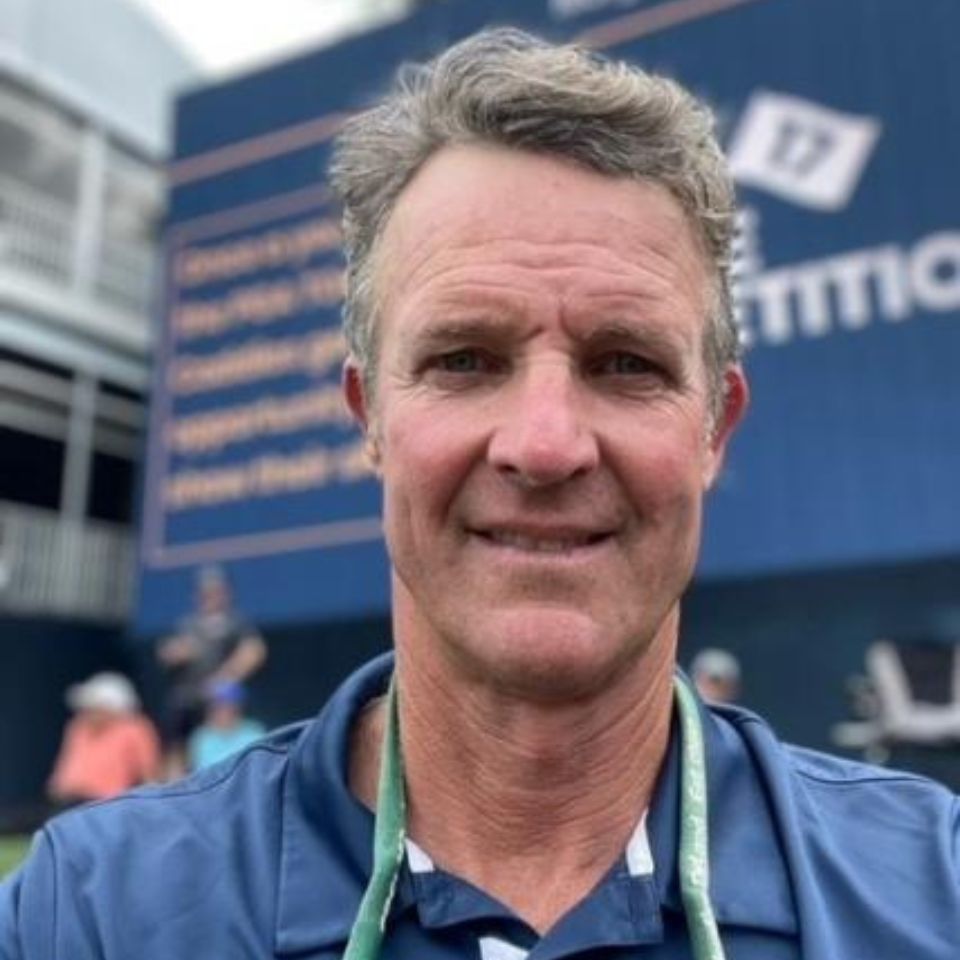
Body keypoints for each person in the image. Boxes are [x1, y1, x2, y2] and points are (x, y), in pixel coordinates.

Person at [1, 27, 958, 960]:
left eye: (626, 363)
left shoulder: (935, 890)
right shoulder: (90, 910)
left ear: (716, 429)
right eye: (465, 359)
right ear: (370, 416)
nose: (544, 446)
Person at [156, 564, 267, 778]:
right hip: (187, 700)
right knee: (177, 740)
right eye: (204, 592)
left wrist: (223, 678)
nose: (209, 596)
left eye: (215, 591)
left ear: (226, 593)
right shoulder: (188, 623)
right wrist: (174, 652)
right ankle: (174, 790)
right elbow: (167, 651)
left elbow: (255, 651)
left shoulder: (235, 622)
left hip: (218, 703)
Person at [46, 672, 160, 808]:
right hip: (70, 799)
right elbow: (68, 761)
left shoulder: (135, 728)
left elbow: (147, 771)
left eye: (95, 707)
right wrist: (59, 785)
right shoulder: (79, 726)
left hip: (108, 803)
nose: (88, 712)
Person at [187, 681, 266, 772]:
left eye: (227, 705)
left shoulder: (254, 732)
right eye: (217, 706)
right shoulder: (201, 736)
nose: (222, 711)